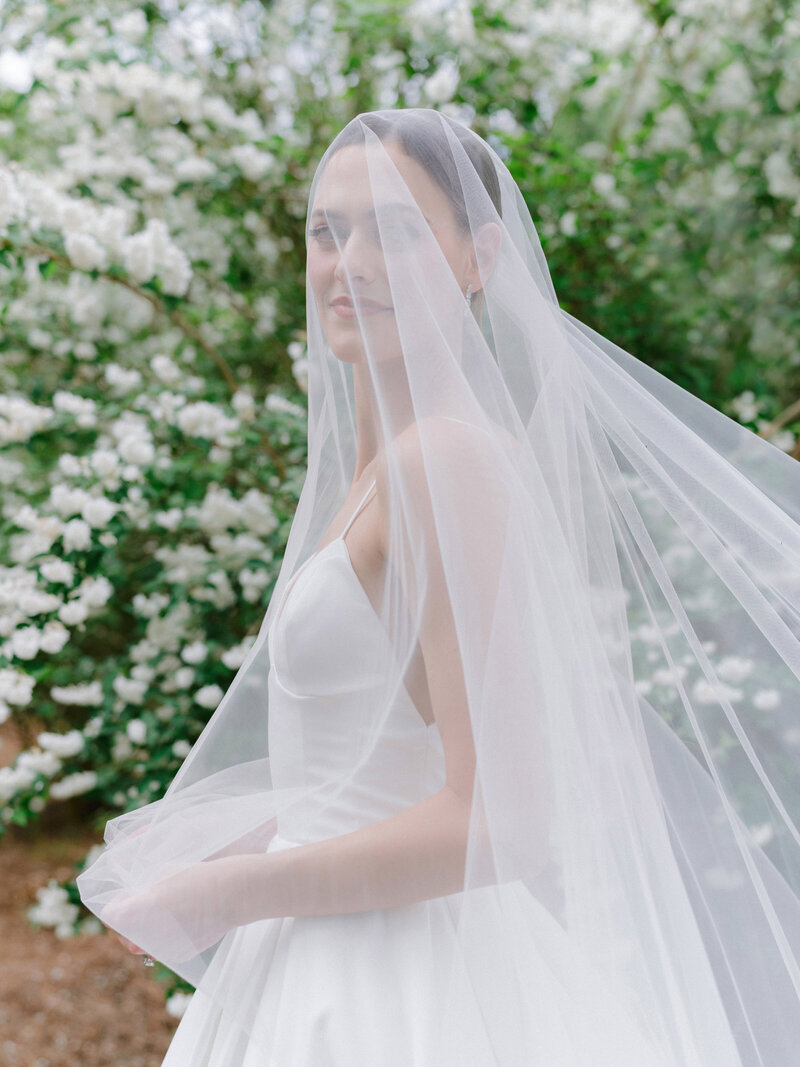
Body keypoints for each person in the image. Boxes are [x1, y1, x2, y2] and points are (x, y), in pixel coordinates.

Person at [78, 108, 800, 1065]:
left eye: (396, 229)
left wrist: (228, 894)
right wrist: (233, 846)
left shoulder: (446, 465)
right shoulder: (379, 471)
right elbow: (375, 768)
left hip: (403, 987)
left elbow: (501, 820)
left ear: (478, 258)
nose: (352, 262)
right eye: (329, 232)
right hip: (317, 958)